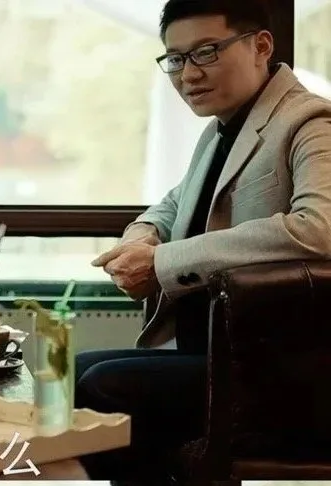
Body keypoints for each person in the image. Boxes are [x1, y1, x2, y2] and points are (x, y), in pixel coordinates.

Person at [81, 0, 331, 480]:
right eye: (176, 58)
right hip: (219, 354)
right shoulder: (222, 129)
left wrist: (161, 263)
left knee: (103, 386)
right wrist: (142, 237)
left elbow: (317, 231)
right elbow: (171, 205)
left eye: (207, 52)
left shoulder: (311, 122)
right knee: (81, 373)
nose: (188, 74)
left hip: (283, 373)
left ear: (261, 46)